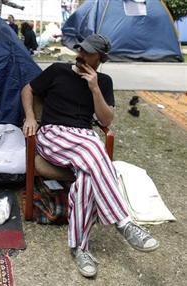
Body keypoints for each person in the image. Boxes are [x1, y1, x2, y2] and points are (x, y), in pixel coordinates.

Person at [21, 34, 159, 278]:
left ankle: (79, 248)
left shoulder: (104, 82)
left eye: (89, 53)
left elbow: (106, 121)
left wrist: (94, 88)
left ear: (101, 58)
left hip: (84, 139)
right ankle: (123, 221)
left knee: (86, 178)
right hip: (54, 134)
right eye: (81, 50)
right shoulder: (57, 70)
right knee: (94, 149)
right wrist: (31, 118)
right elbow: (28, 90)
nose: (82, 55)